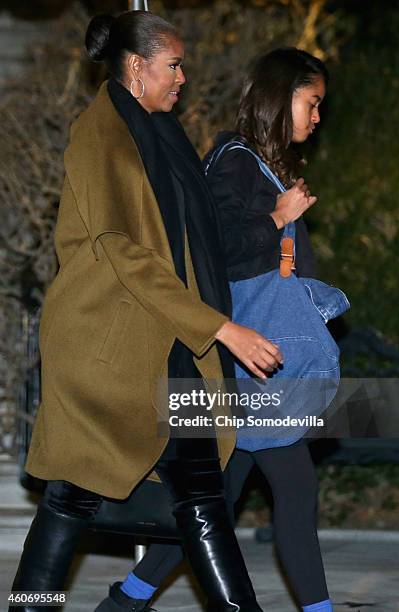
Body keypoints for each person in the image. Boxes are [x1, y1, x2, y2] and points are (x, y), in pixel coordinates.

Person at [8, 11, 286, 612]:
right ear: (137, 66)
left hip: (172, 347)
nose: (183, 77)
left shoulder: (162, 134)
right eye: (174, 65)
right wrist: (221, 328)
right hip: (111, 353)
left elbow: (190, 244)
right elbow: (121, 250)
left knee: (201, 496)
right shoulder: (102, 135)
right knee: (72, 498)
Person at [96, 48, 334, 612]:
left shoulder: (260, 165)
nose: (318, 117)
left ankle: (125, 601)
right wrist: (277, 219)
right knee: (293, 493)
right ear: (282, 96)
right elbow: (213, 252)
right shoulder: (234, 160)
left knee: (216, 500)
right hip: (244, 357)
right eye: (312, 102)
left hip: (257, 361)